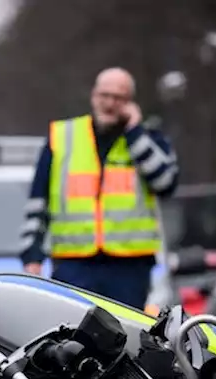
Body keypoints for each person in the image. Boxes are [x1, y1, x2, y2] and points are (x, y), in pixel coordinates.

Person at [21, 67, 180, 307]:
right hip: (74, 265)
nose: (110, 103)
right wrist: (32, 256)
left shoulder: (147, 139)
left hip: (129, 268)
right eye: (104, 95)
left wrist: (135, 133)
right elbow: (37, 201)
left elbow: (166, 184)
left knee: (125, 339)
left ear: (130, 103)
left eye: (119, 98)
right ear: (94, 96)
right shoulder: (62, 136)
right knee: (71, 339)